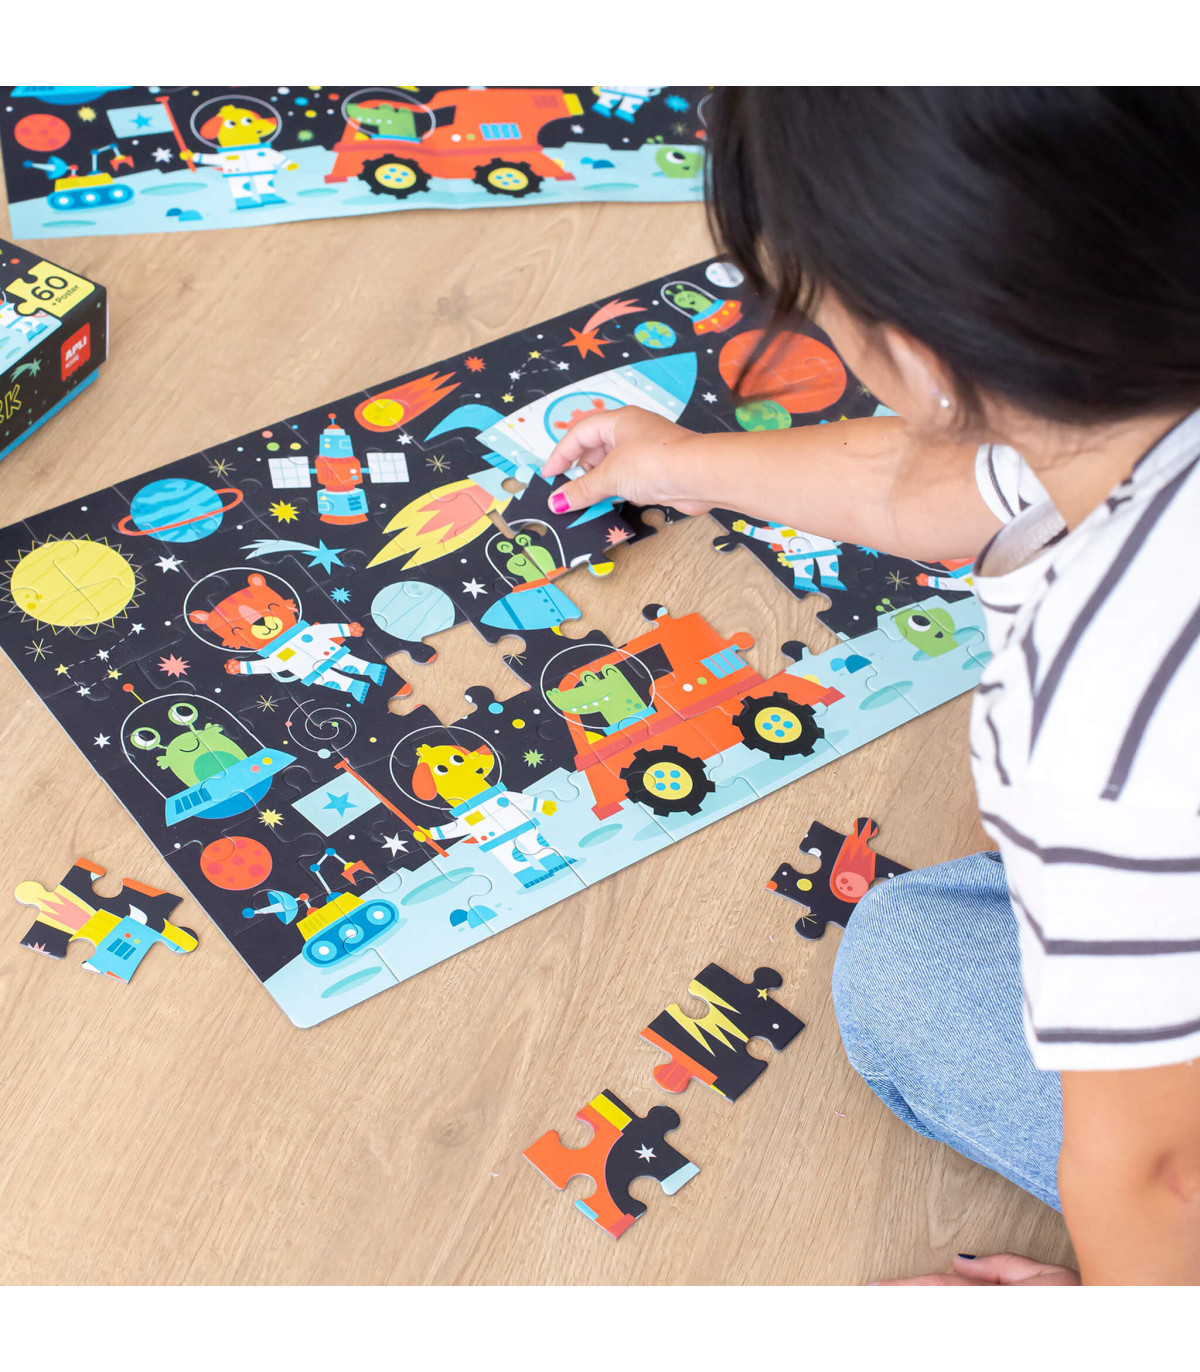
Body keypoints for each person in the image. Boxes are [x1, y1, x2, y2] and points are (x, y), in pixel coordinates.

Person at [543, 88, 1200, 1286]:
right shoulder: (1136, 375)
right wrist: (680, 460)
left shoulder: (1093, 710)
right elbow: (948, 484)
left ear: (922, 358)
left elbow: (1158, 1172)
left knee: (905, 967)